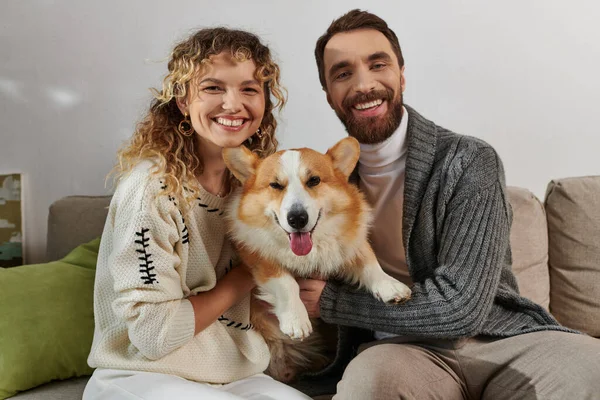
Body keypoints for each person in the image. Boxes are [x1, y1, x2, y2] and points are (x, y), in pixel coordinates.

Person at [297, 9, 600, 399]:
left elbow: (462, 308)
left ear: (401, 74)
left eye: (378, 64)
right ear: (328, 95)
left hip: (498, 338)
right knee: (367, 385)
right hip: (400, 352)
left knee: (590, 367)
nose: (364, 84)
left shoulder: (469, 160)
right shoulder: (316, 184)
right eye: (343, 73)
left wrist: (334, 303)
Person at [83, 27, 311, 400]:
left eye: (249, 89)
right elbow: (155, 336)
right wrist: (247, 274)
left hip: (235, 376)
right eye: (213, 88)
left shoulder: (256, 190)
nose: (233, 104)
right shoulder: (151, 192)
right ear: (183, 100)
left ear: (265, 104)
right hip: (142, 376)